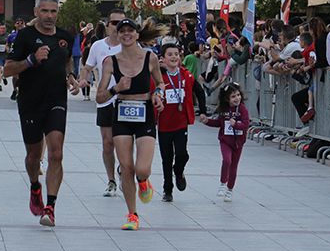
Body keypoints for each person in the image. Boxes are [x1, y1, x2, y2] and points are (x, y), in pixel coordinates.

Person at [4, 0, 78, 227]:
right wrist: (31, 60)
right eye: (44, 11)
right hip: (30, 102)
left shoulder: (65, 36)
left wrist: (71, 76)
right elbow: (7, 69)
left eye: (53, 11)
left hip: (56, 100)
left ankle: (50, 207)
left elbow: (67, 60)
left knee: (56, 153)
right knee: (33, 156)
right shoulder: (25, 36)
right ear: (36, 11)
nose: (49, 16)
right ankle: (35, 186)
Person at [96, 19, 165, 231]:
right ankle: (132, 214)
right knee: (126, 167)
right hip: (121, 114)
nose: (126, 34)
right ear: (117, 35)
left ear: (137, 35)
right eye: (122, 31)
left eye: (130, 31)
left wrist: (158, 94)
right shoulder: (110, 62)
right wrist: (116, 88)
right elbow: (100, 97)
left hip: (145, 114)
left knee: (141, 169)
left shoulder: (150, 57)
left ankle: (143, 181)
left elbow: (160, 82)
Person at [78, 9, 125, 197]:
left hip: (126, 101)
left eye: (122, 23)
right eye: (114, 23)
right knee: (107, 143)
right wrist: (83, 79)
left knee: (124, 142)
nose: (118, 27)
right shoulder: (98, 46)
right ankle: (111, 180)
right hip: (105, 99)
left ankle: (124, 170)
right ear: (107, 26)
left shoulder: (131, 45)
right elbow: (87, 67)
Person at [199, 82, 250, 202]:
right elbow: (219, 123)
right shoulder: (223, 109)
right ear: (227, 99)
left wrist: (236, 124)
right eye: (233, 96)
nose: (237, 98)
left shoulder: (242, 109)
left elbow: (245, 124)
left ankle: (230, 190)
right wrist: (207, 121)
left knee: (234, 166)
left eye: (238, 95)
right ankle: (223, 183)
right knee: (227, 160)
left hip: (238, 142)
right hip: (225, 141)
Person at [157, 43, 195, 202]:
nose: (174, 57)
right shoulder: (159, 77)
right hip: (164, 124)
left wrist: (203, 112)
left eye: (176, 54)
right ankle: (167, 190)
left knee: (182, 154)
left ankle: (178, 171)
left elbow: (198, 91)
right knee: (166, 158)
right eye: (170, 54)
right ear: (162, 58)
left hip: (181, 123)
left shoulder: (185, 75)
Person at [6, 17, 25, 100]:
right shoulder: (12, 35)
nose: (20, 24)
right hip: (14, 57)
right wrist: (7, 49)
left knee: (22, 76)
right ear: (15, 25)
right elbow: (7, 44)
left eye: (21, 23)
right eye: (18, 23)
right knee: (15, 76)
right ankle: (15, 90)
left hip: (24, 57)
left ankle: (21, 91)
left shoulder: (27, 35)